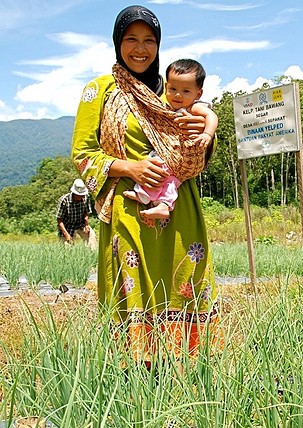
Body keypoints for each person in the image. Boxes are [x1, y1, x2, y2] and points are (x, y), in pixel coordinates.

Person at [71, 5, 220, 364]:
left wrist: (205, 137)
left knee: (181, 283)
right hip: (129, 206)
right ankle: (135, 374)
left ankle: (186, 370)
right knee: (133, 288)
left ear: (159, 44)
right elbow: (82, 153)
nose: (140, 49)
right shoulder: (101, 90)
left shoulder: (170, 89)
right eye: (131, 39)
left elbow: (198, 135)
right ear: (117, 42)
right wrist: (131, 168)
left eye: (149, 40)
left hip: (178, 206)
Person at [123, 58, 218, 220]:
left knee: (156, 166)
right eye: (173, 89)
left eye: (186, 91)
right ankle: (163, 205)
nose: (178, 95)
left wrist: (207, 134)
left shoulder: (193, 107)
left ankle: (145, 193)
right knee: (170, 181)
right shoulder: (165, 108)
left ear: (198, 93)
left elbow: (212, 116)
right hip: (180, 163)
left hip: (183, 156)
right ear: (166, 87)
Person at [56, 178, 98, 250]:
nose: (82, 196)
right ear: (74, 193)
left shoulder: (86, 197)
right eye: (80, 195)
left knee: (92, 237)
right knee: (67, 248)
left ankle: (93, 256)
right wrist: (66, 235)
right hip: (67, 226)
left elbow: (86, 212)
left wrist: (86, 224)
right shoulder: (64, 200)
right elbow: (59, 220)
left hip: (81, 224)